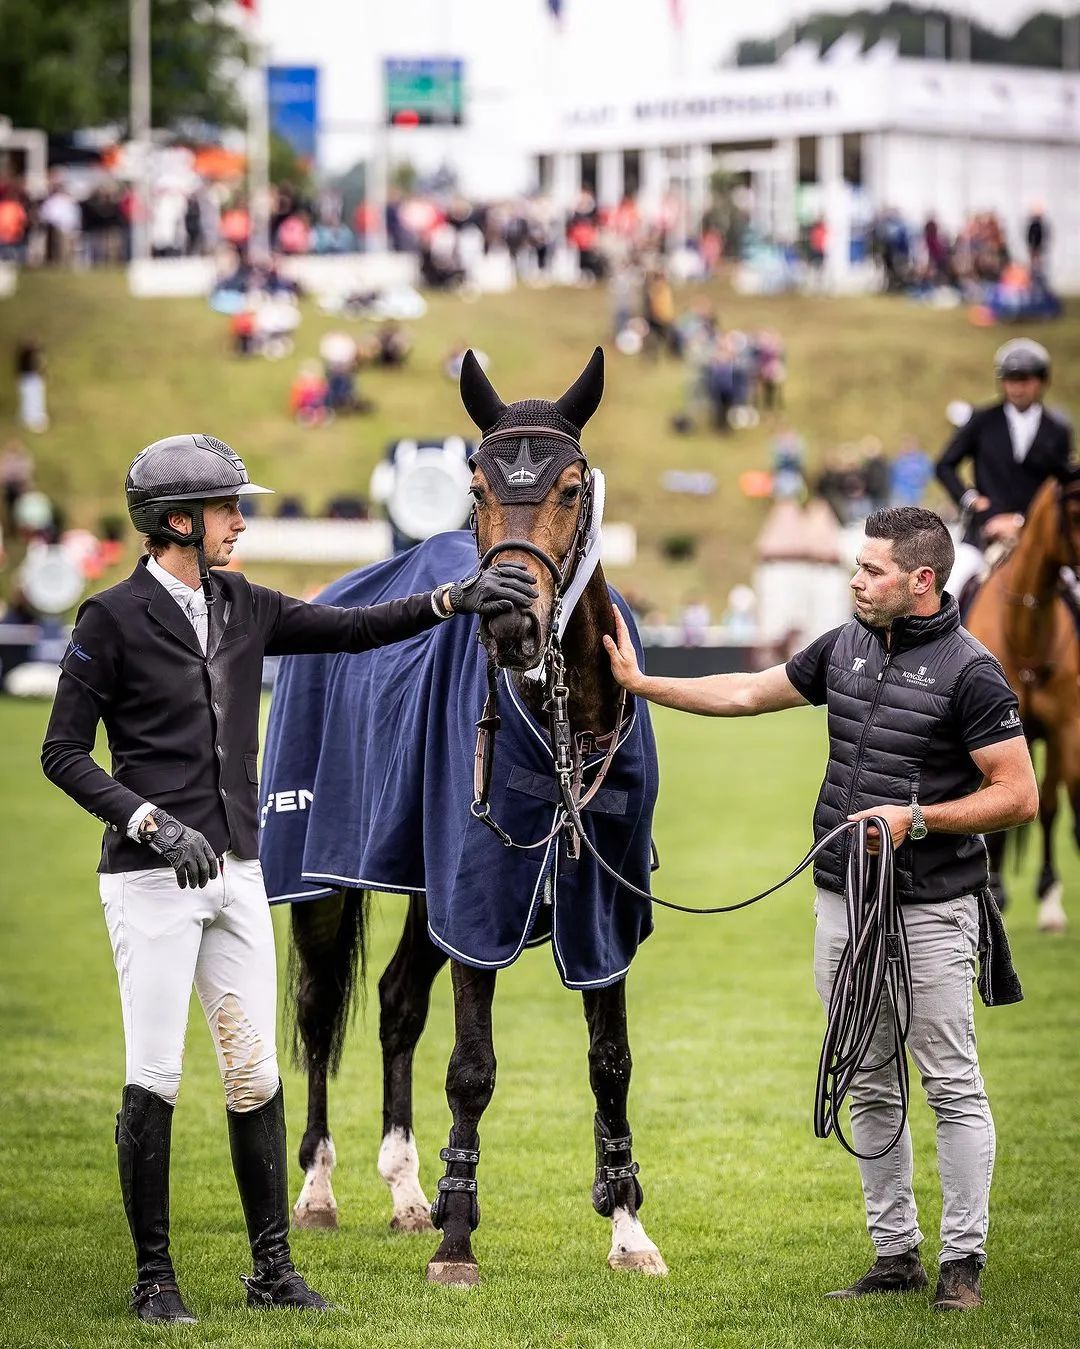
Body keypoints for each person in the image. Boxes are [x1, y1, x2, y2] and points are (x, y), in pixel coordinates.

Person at [40, 433, 537, 1325]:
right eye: (228, 508)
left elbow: (352, 630)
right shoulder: (108, 619)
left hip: (236, 870)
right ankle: (155, 1278)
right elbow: (62, 752)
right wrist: (149, 820)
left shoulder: (243, 603)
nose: (241, 521)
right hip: (151, 880)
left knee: (257, 1077)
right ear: (178, 521)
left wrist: (451, 598)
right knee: (155, 1074)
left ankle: (271, 1269)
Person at [603, 505, 1038, 1313]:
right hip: (842, 901)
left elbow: (1018, 793)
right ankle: (896, 1254)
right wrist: (642, 683)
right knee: (867, 1078)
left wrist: (917, 819)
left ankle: (963, 1263)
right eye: (856, 565)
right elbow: (746, 692)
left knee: (951, 1085)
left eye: (871, 570)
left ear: (920, 580)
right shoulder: (844, 646)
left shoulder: (972, 671)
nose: (855, 580)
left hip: (933, 910)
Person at [936, 339, 1072, 600]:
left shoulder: (1057, 429)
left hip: (1039, 535)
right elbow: (944, 465)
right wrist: (970, 500)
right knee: (949, 589)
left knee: (1074, 590)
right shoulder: (982, 421)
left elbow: (1062, 483)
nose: (1017, 388)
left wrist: (1021, 522)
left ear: (1042, 381)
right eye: (1010, 380)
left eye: (1025, 380)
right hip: (983, 532)